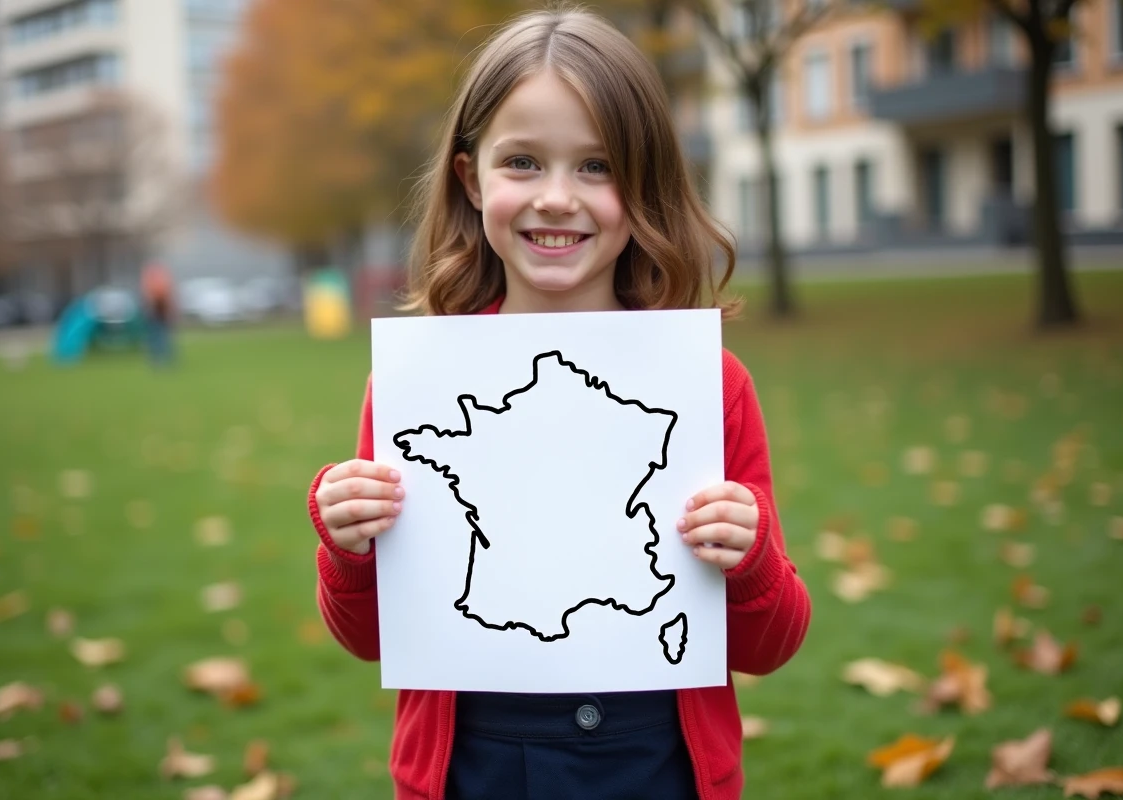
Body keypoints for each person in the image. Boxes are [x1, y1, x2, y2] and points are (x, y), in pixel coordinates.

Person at [306, 8, 811, 799]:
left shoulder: (712, 386)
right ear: (472, 180)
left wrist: (750, 563)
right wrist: (348, 547)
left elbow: (771, 643)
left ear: (643, 184)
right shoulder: (414, 388)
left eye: (597, 167)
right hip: (473, 766)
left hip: (657, 765)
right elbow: (372, 640)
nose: (556, 198)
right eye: (523, 163)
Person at [140, 262, 175, 366]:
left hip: (160, 315)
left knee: (161, 338)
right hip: (155, 316)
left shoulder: (158, 286)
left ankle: (162, 359)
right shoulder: (154, 285)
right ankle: (158, 359)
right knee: (156, 338)